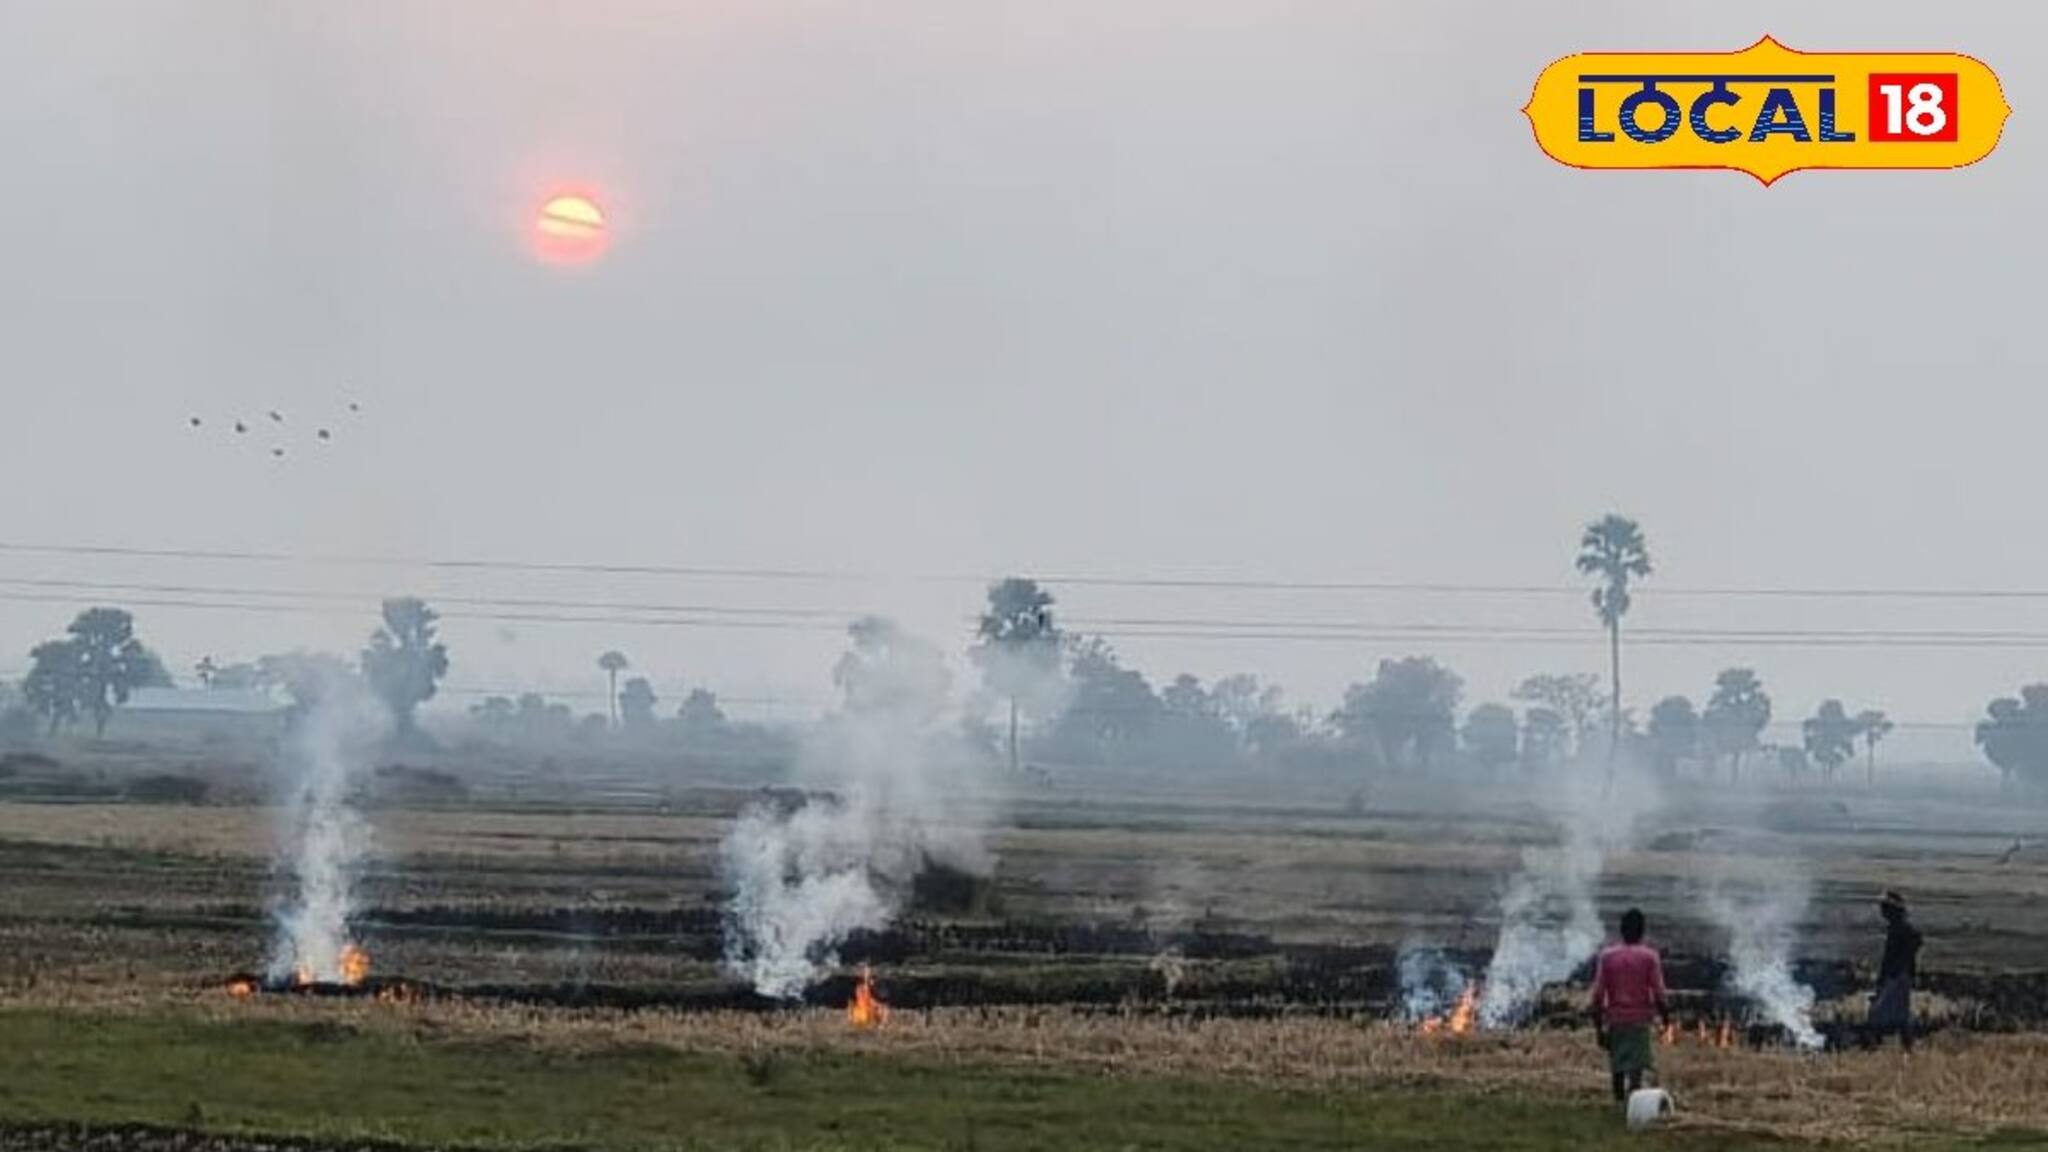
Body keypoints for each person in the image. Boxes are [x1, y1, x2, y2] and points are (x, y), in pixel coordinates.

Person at [1589, 907, 1671, 1104]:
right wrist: (1665, 1017)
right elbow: (1659, 991)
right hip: (1639, 1019)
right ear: (1642, 931)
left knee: (1617, 1064)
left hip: (1615, 1019)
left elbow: (1598, 994)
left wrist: (1598, 1027)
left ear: (1621, 930)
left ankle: (1618, 1100)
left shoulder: (1608, 957)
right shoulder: (1649, 957)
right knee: (1636, 1066)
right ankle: (1633, 1101)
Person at [1866, 889, 1923, 1051]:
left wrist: (1894, 973)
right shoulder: (1898, 929)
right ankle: (1906, 1047)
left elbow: (1901, 953)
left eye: (1884, 908)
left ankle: (1876, 1046)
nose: (1882, 911)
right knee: (1899, 1012)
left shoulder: (1901, 929)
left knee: (1880, 1012)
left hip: (1897, 976)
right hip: (1899, 975)